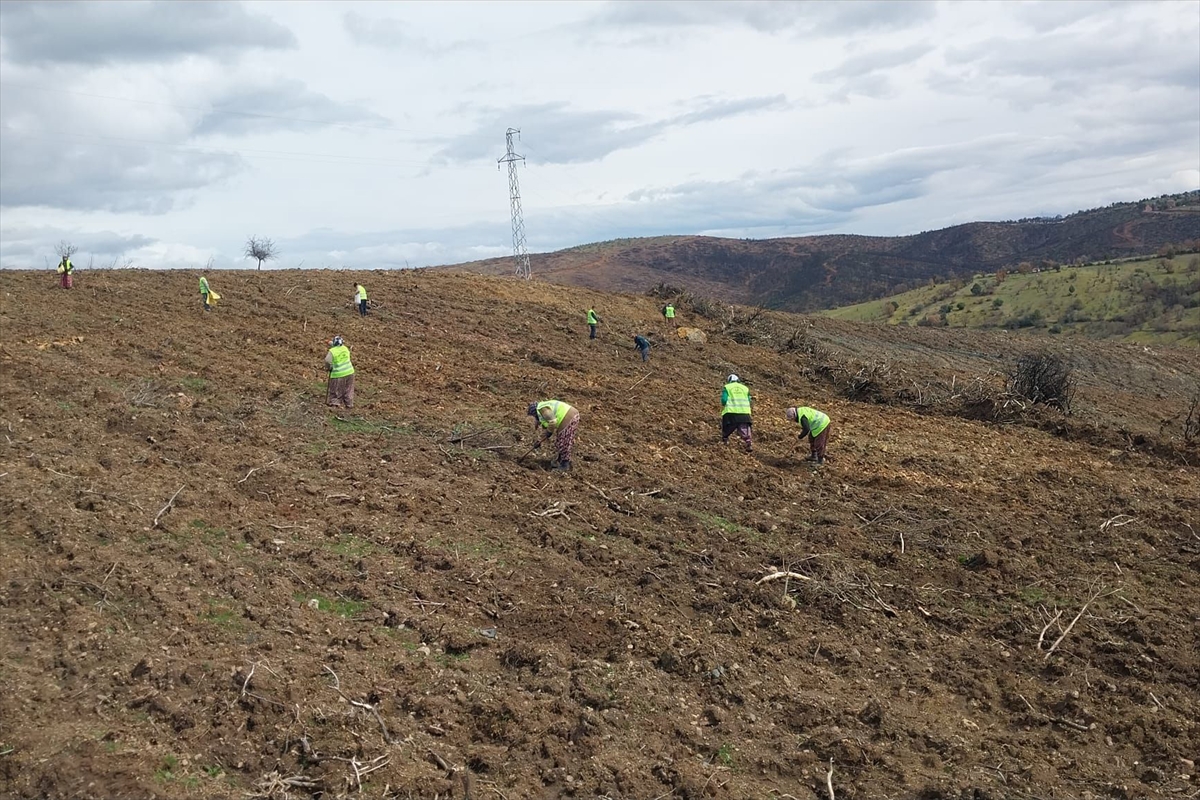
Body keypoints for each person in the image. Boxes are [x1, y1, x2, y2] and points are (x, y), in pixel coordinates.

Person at [528, 399, 580, 471]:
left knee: (564, 441)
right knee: (560, 441)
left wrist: (549, 432)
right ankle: (560, 460)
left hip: (568, 416)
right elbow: (544, 426)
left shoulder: (543, 410)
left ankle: (565, 464)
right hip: (568, 416)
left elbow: (552, 421)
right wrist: (539, 440)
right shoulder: (541, 410)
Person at [720, 374, 752, 452]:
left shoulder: (727, 387)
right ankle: (748, 443)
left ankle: (725, 440)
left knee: (728, 428)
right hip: (744, 413)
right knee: (744, 430)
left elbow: (724, 400)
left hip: (731, 413)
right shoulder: (745, 388)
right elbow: (749, 400)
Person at [325, 335, 356, 408]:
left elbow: (327, 361)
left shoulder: (332, 351)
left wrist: (329, 368)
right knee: (348, 390)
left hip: (338, 374)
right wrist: (328, 342)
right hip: (350, 372)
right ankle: (349, 405)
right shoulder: (345, 348)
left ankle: (334, 404)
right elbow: (336, 345)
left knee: (335, 390)